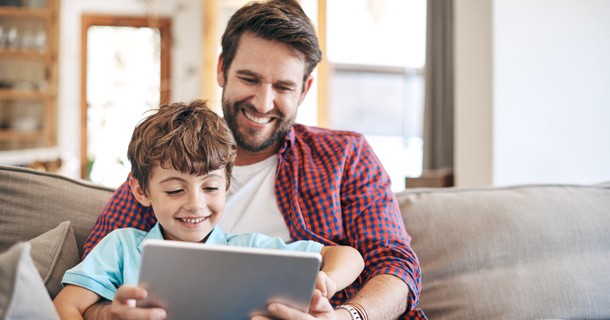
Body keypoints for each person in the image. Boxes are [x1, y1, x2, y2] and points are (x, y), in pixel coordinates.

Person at [82, 0, 425, 319]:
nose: (263, 103)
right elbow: (89, 282)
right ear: (222, 70)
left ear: (304, 90)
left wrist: (346, 317)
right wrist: (110, 315)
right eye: (249, 79)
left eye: (283, 87)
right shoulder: (171, 158)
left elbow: (395, 265)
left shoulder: (345, 156)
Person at [53, 100, 365, 319]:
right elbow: (64, 307)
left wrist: (330, 281)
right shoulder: (122, 247)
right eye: (175, 190)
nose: (195, 204)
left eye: (211, 188)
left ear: (228, 184)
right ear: (140, 190)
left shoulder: (251, 250)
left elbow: (349, 256)